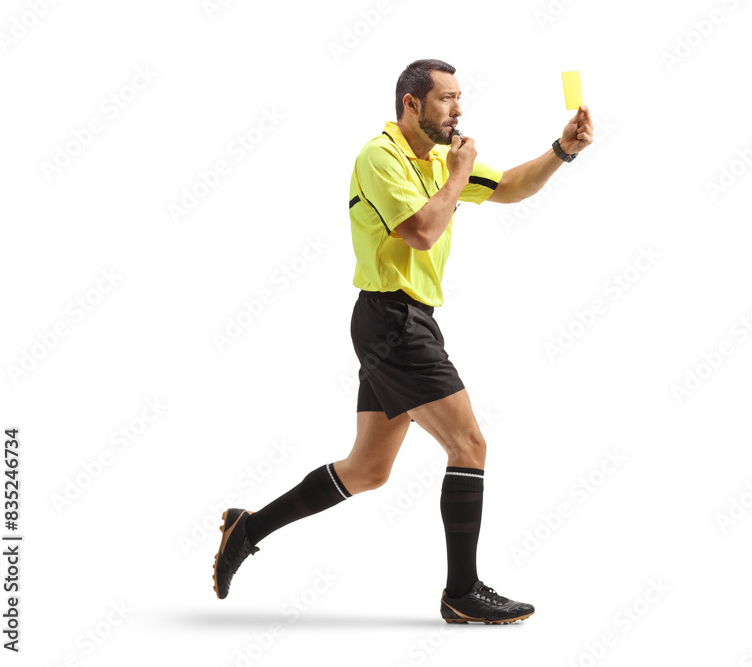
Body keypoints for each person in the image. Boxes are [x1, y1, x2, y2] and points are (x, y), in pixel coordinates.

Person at [212, 58, 594, 624]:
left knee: (367, 470)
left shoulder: (443, 158)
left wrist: (562, 151)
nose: (458, 109)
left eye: (460, 98)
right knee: (470, 446)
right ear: (411, 105)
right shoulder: (380, 157)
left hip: (404, 320)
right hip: (393, 322)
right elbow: (420, 231)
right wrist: (458, 175)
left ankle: (249, 527)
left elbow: (512, 186)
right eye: (446, 99)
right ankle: (461, 592)